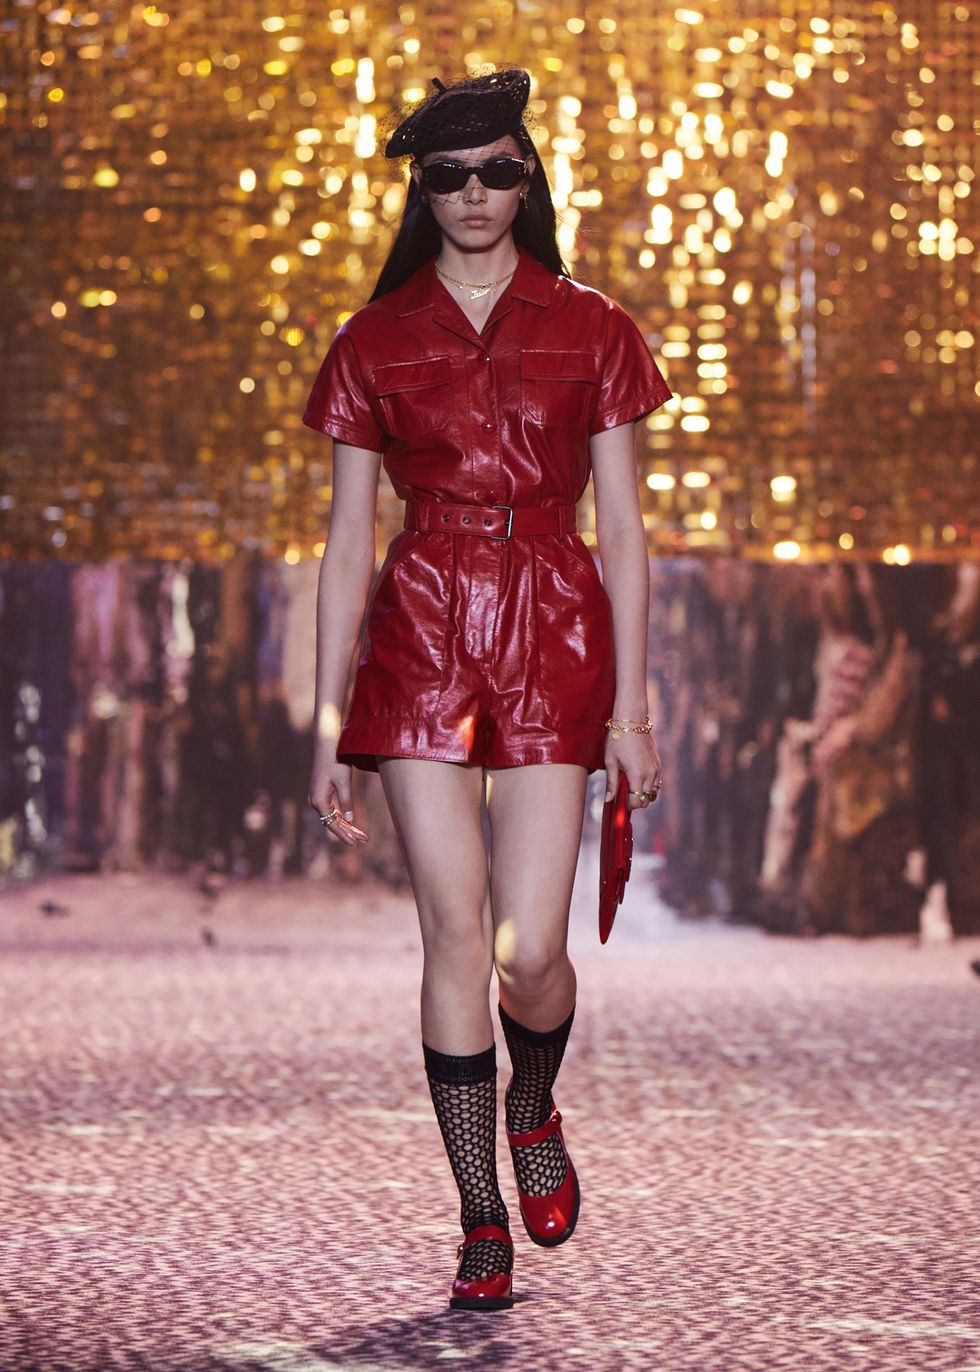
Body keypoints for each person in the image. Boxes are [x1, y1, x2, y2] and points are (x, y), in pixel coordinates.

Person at [303, 68, 670, 1311]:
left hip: (554, 619)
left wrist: (632, 711)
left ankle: (533, 1099)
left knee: (532, 949)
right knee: (452, 933)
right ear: (423, 189)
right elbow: (344, 544)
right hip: (420, 624)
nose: (473, 192)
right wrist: (329, 726)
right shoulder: (373, 339)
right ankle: (478, 1215)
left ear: (528, 181)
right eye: (450, 174)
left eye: (497, 170)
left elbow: (624, 531)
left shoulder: (594, 327)